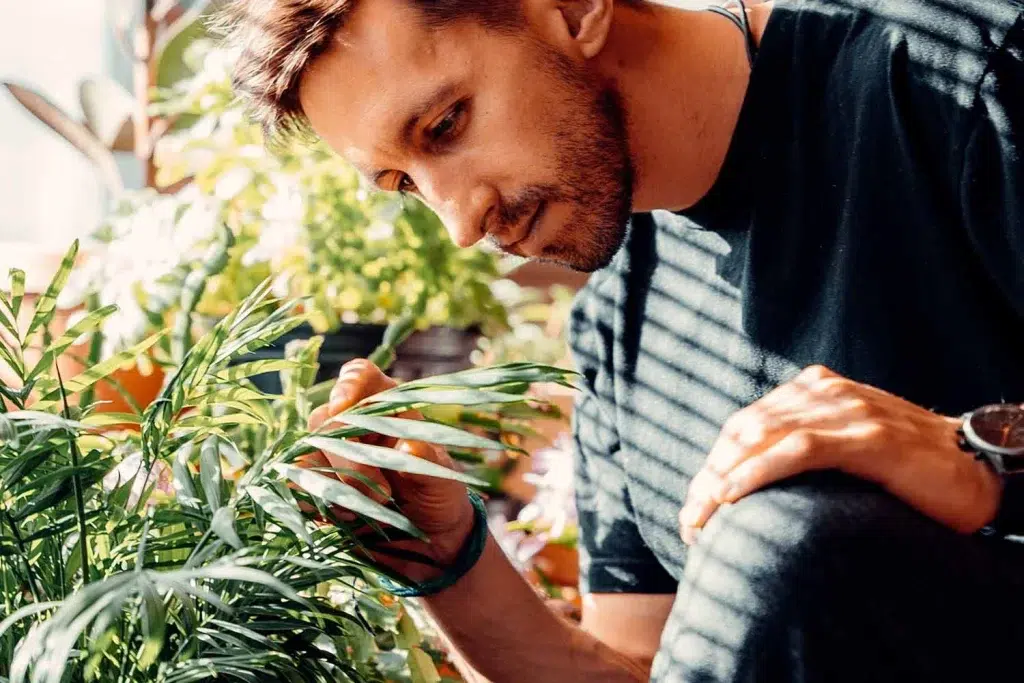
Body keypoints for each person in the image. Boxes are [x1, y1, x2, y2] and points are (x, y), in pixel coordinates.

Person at [221, 0, 1024, 680]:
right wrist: (444, 558)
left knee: (786, 537)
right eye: (405, 185)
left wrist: (985, 454)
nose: (458, 222)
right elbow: (656, 666)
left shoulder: (961, 76)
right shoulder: (616, 325)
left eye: (444, 125)